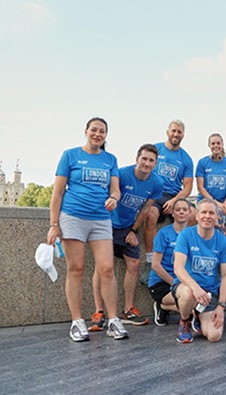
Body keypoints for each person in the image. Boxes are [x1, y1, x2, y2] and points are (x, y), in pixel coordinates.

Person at [47, 117, 128, 341]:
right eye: (94, 130)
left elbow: (116, 190)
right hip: (73, 217)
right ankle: (77, 321)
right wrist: (54, 225)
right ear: (86, 131)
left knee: (107, 269)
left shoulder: (110, 159)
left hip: (101, 219)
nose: (98, 134)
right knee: (76, 269)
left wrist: (113, 197)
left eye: (102, 131)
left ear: (106, 136)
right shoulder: (70, 155)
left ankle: (113, 320)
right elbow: (58, 193)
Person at [89, 143, 163, 331]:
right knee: (102, 267)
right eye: (144, 159)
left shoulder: (156, 183)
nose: (147, 163)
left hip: (126, 228)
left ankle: (128, 309)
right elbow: (105, 195)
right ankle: (99, 312)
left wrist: (133, 230)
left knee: (134, 264)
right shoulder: (121, 174)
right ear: (137, 159)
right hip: (107, 225)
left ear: (155, 164)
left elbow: (146, 208)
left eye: (151, 160)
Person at [172, 199, 226, 343]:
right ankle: (185, 322)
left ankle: (198, 315)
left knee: (214, 335)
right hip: (187, 287)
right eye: (203, 212)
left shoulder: (223, 242)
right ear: (197, 216)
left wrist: (221, 306)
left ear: (217, 217)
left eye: (211, 213)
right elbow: (178, 267)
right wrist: (195, 287)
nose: (207, 216)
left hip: (208, 293)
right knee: (188, 294)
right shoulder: (186, 235)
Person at [143, 120, 194, 278]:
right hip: (155, 192)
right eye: (173, 131)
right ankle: (150, 262)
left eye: (179, 132)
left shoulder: (186, 159)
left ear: (183, 135)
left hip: (174, 195)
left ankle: (185, 258)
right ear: (167, 132)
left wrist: (174, 201)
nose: (176, 134)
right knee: (151, 214)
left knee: (193, 215)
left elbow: (187, 187)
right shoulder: (156, 149)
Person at [148, 198, 191, 326]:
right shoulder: (163, 234)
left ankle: (164, 307)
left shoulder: (193, 234)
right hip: (162, 283)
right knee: (192, 304)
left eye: (185, 209)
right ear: (173, 213)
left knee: (197, 304)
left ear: (190, 213)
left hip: (183, 281)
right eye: (178, 210)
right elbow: (155, 265)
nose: (181, 212)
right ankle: (161, 304)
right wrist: (175, 283)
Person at [196, 133, 226, 236]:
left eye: (218, 143)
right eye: (213, 143)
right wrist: (215, 202)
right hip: (206, 201)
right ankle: (217, 242)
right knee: (218, 213)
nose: (216, 146)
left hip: (223, 201)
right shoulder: (202, 162)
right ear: (209, 146)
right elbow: (200, 187)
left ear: (222, 144)